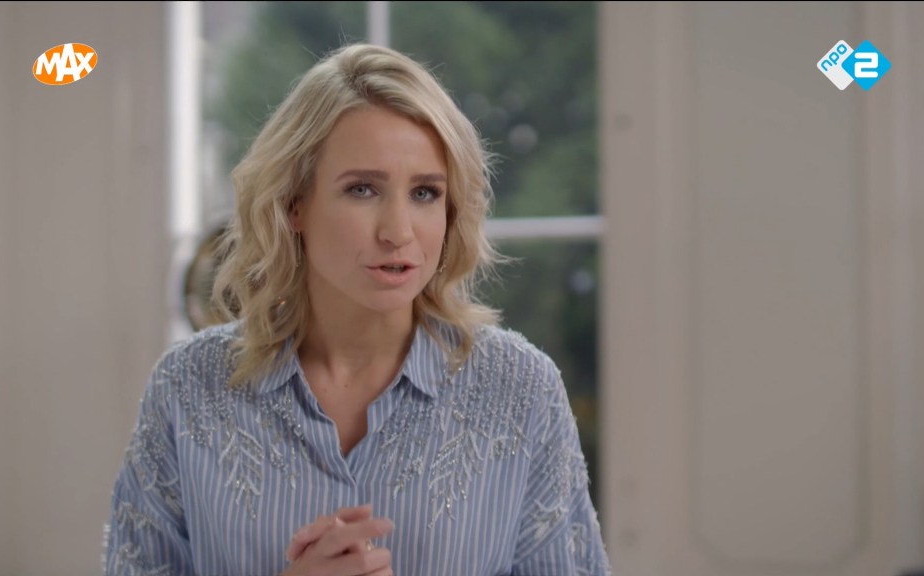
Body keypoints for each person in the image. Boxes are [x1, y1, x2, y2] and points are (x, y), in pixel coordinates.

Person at [102, 42, 611, 576]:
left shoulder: (521, 389)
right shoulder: (187, 388)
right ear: (294, 204)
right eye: (363, 189)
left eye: (425, 193)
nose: (398, 232)